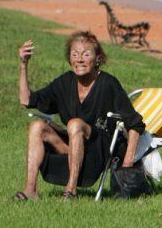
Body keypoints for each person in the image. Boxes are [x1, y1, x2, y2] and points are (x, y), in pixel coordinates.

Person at [14, 31, 145, 200]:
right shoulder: (64, 82)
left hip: (99, 151)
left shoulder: (108, 84)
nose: (79, 59)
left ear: (98, 59)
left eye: (86, 54)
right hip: (72, 145)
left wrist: (127, 164)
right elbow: (27, 100)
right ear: (69, 59)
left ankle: (71, 191)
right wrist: (23, 65)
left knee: (75, 123)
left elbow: (134, 124)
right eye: (74, 54)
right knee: (37, 126)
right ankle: (30, 190)